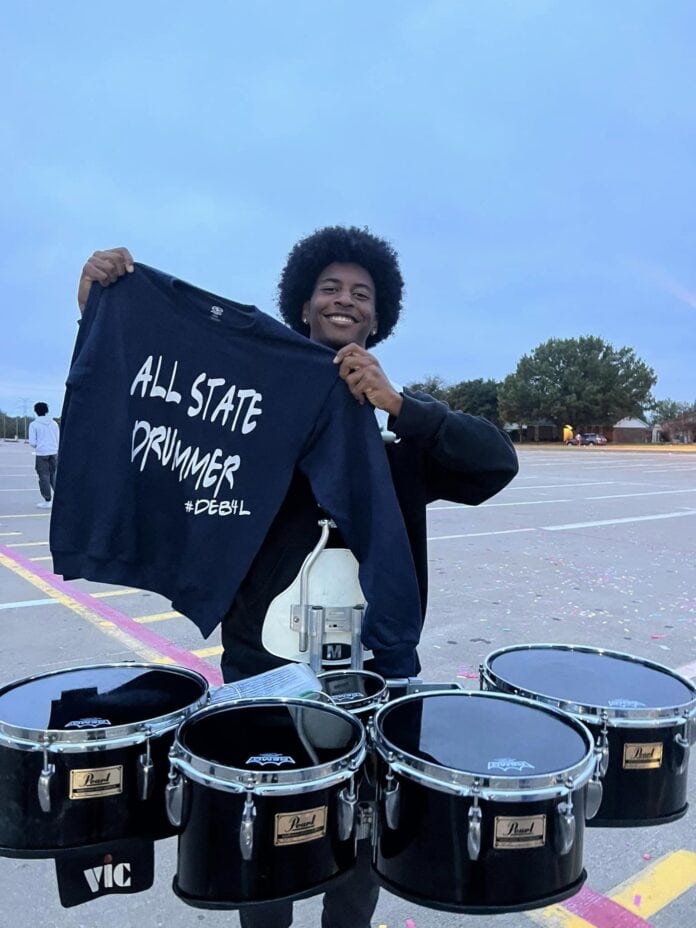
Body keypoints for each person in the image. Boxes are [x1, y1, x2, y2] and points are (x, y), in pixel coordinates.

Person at [76, 227, 519, 927]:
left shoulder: (395, 440)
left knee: (361, 836)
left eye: (360, 294)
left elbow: (496, 464)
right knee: (268, 838)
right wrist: (102, 311)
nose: (344, 300)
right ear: (303, 306)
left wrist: (401, 407)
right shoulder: (248, 423)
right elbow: (155, 409)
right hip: (263, 662)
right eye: (330, 289)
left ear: (378, 318)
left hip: (374, 670)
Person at [28, 402, 60, 509]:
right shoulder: (54, 423)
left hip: (42, 453)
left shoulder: (34, 424)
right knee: (53, 475)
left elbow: (32, 442)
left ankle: (47, 500)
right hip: (54, 452)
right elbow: (58, 438)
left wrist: (39, 445)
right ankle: (60, 497)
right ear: (47, 411)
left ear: (36, 411)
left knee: (44, 476)